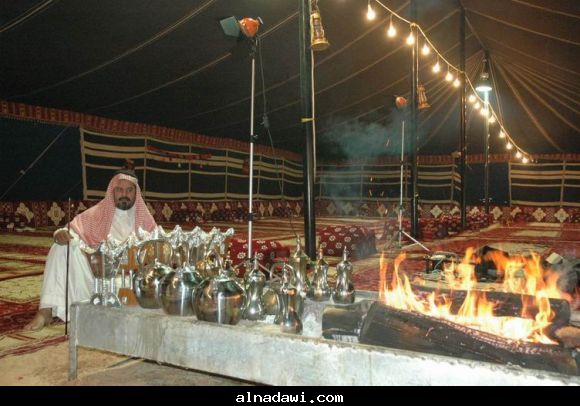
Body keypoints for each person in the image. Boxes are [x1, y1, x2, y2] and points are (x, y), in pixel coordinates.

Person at [24, 170, 157, 331]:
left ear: (136, 193)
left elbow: (157, 253)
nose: (124, 195)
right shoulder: (96, 214)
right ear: (112, 191)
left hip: (127, 284)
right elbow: (72, 231)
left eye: (129, 190)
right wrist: (60, 233)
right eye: (119, 190)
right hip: (96, 279)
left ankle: (96, 311)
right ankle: (46, 311)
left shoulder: (145, 219)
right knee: (62, 247)